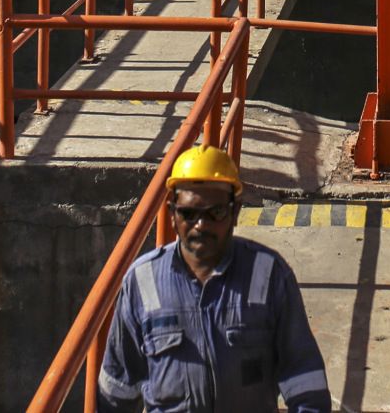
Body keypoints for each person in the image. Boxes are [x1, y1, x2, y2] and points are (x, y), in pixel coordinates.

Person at [96, 146, 330, 412]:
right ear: (172, 213)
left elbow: (304, 379)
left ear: (235, 211)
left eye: (215, 212)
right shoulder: (142, 281)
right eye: (189, 213)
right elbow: (117, 389)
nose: (201, 225)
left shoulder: (267, 274)